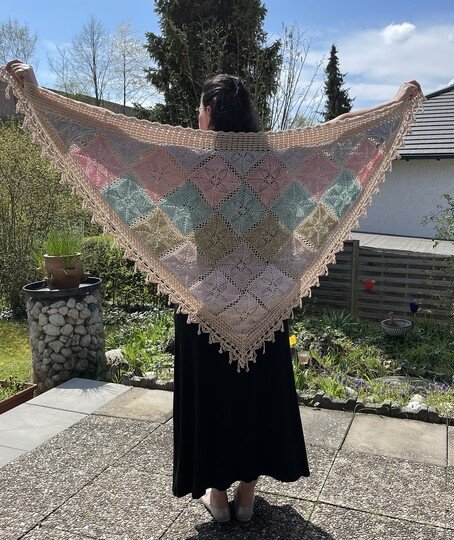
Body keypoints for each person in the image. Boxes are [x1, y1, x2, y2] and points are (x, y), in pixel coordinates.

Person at [4, 60, 421, 524]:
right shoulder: (280, 161)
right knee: (258, 396)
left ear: (209, 112)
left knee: (212, 398)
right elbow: (339, 135)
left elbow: (113, 139)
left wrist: (38, 93)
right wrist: (394, 106)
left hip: (204, 303)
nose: (196, 116)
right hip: (265, 301)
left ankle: (218, 498)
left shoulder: (190, 160)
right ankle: (247, 497)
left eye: (200, 109)